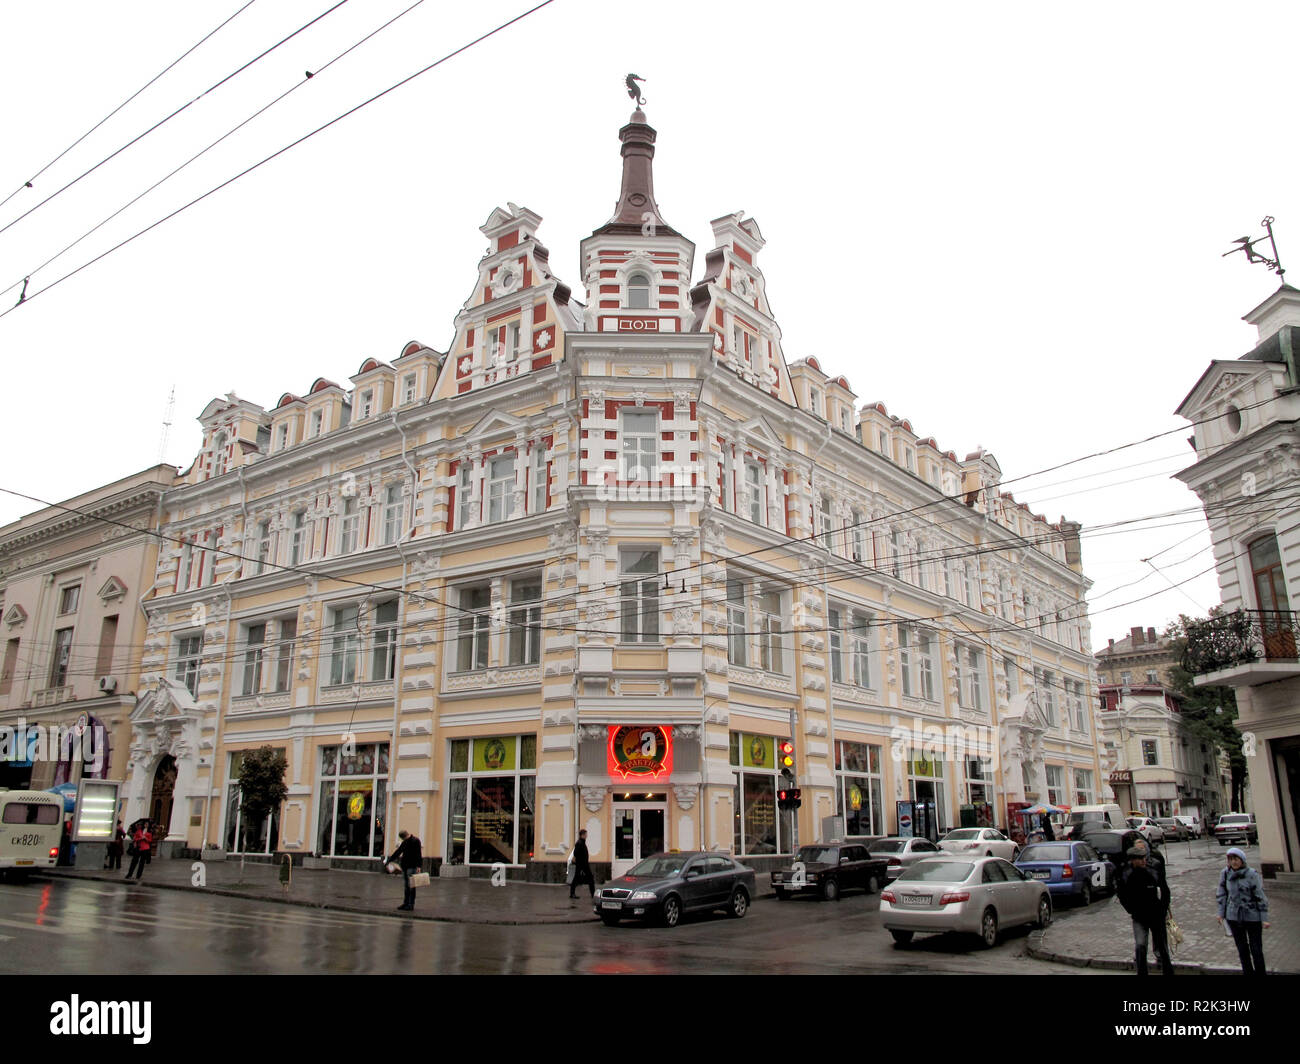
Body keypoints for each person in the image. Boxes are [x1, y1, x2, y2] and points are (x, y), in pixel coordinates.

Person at [1115, 845, 1174, 976]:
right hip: (1138, 916)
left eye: (1144, 857)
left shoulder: (1153, 870)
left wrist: (1163, 909)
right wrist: (1130, 909)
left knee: (1162, 948)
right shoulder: (1126, 874)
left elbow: (1165, 890)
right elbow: (1121, 893)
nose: (1144, 861)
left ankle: (1168, 971)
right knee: (1140, 945)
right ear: (1133, 860)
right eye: (1140, 858)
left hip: (1156, 915)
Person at [1216, 846, 1270, 975]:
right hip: (1234, 916)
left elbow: (1260, 896)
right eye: (1231, 859)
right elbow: (1221, 894)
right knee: (1242, 949)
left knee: (1256, 949)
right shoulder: (1225, 873)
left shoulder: (1251, 874)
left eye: (1236, 859)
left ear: (1242, 860)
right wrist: (1221, 913)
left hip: (1252, 916)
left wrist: (1264, 918)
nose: (1234, 862)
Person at [386, 830, 423, 911]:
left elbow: (418, 854)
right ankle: (406, 903)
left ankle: (410, 904)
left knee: (411, 886)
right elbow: (398, 852)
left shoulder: (415, 841)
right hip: (405, 866)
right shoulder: (406, 842)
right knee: (407, 886)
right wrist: (390, 860)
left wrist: (418, 866)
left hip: (412, 867)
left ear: (403, 837)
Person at [568, 829, 595, 900]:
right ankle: (592, 893)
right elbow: (575, 853)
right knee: (588, 878)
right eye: (586, 834)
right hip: (582, 864)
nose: (587, 835)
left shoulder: (582, 842)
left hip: (583, 864)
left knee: (580, 878)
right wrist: (580, 859)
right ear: (582, 835)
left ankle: (573, 893)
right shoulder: (579, 843)